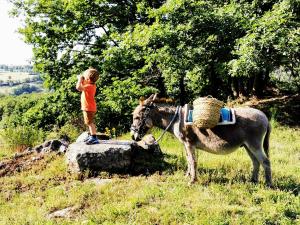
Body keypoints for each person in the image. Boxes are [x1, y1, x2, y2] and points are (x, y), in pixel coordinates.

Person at [76, 67, 100, 145]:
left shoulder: (89, 86)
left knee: (90, 123)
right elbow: (83, 84)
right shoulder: (91, 85)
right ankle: (91, 136)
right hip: (88, 107)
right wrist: (83, 79)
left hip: (88, 107)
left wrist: (79, 79)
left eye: (85, 77)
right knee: (88, 122)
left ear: (88, 79)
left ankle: (94, 137)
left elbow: (78, 87)